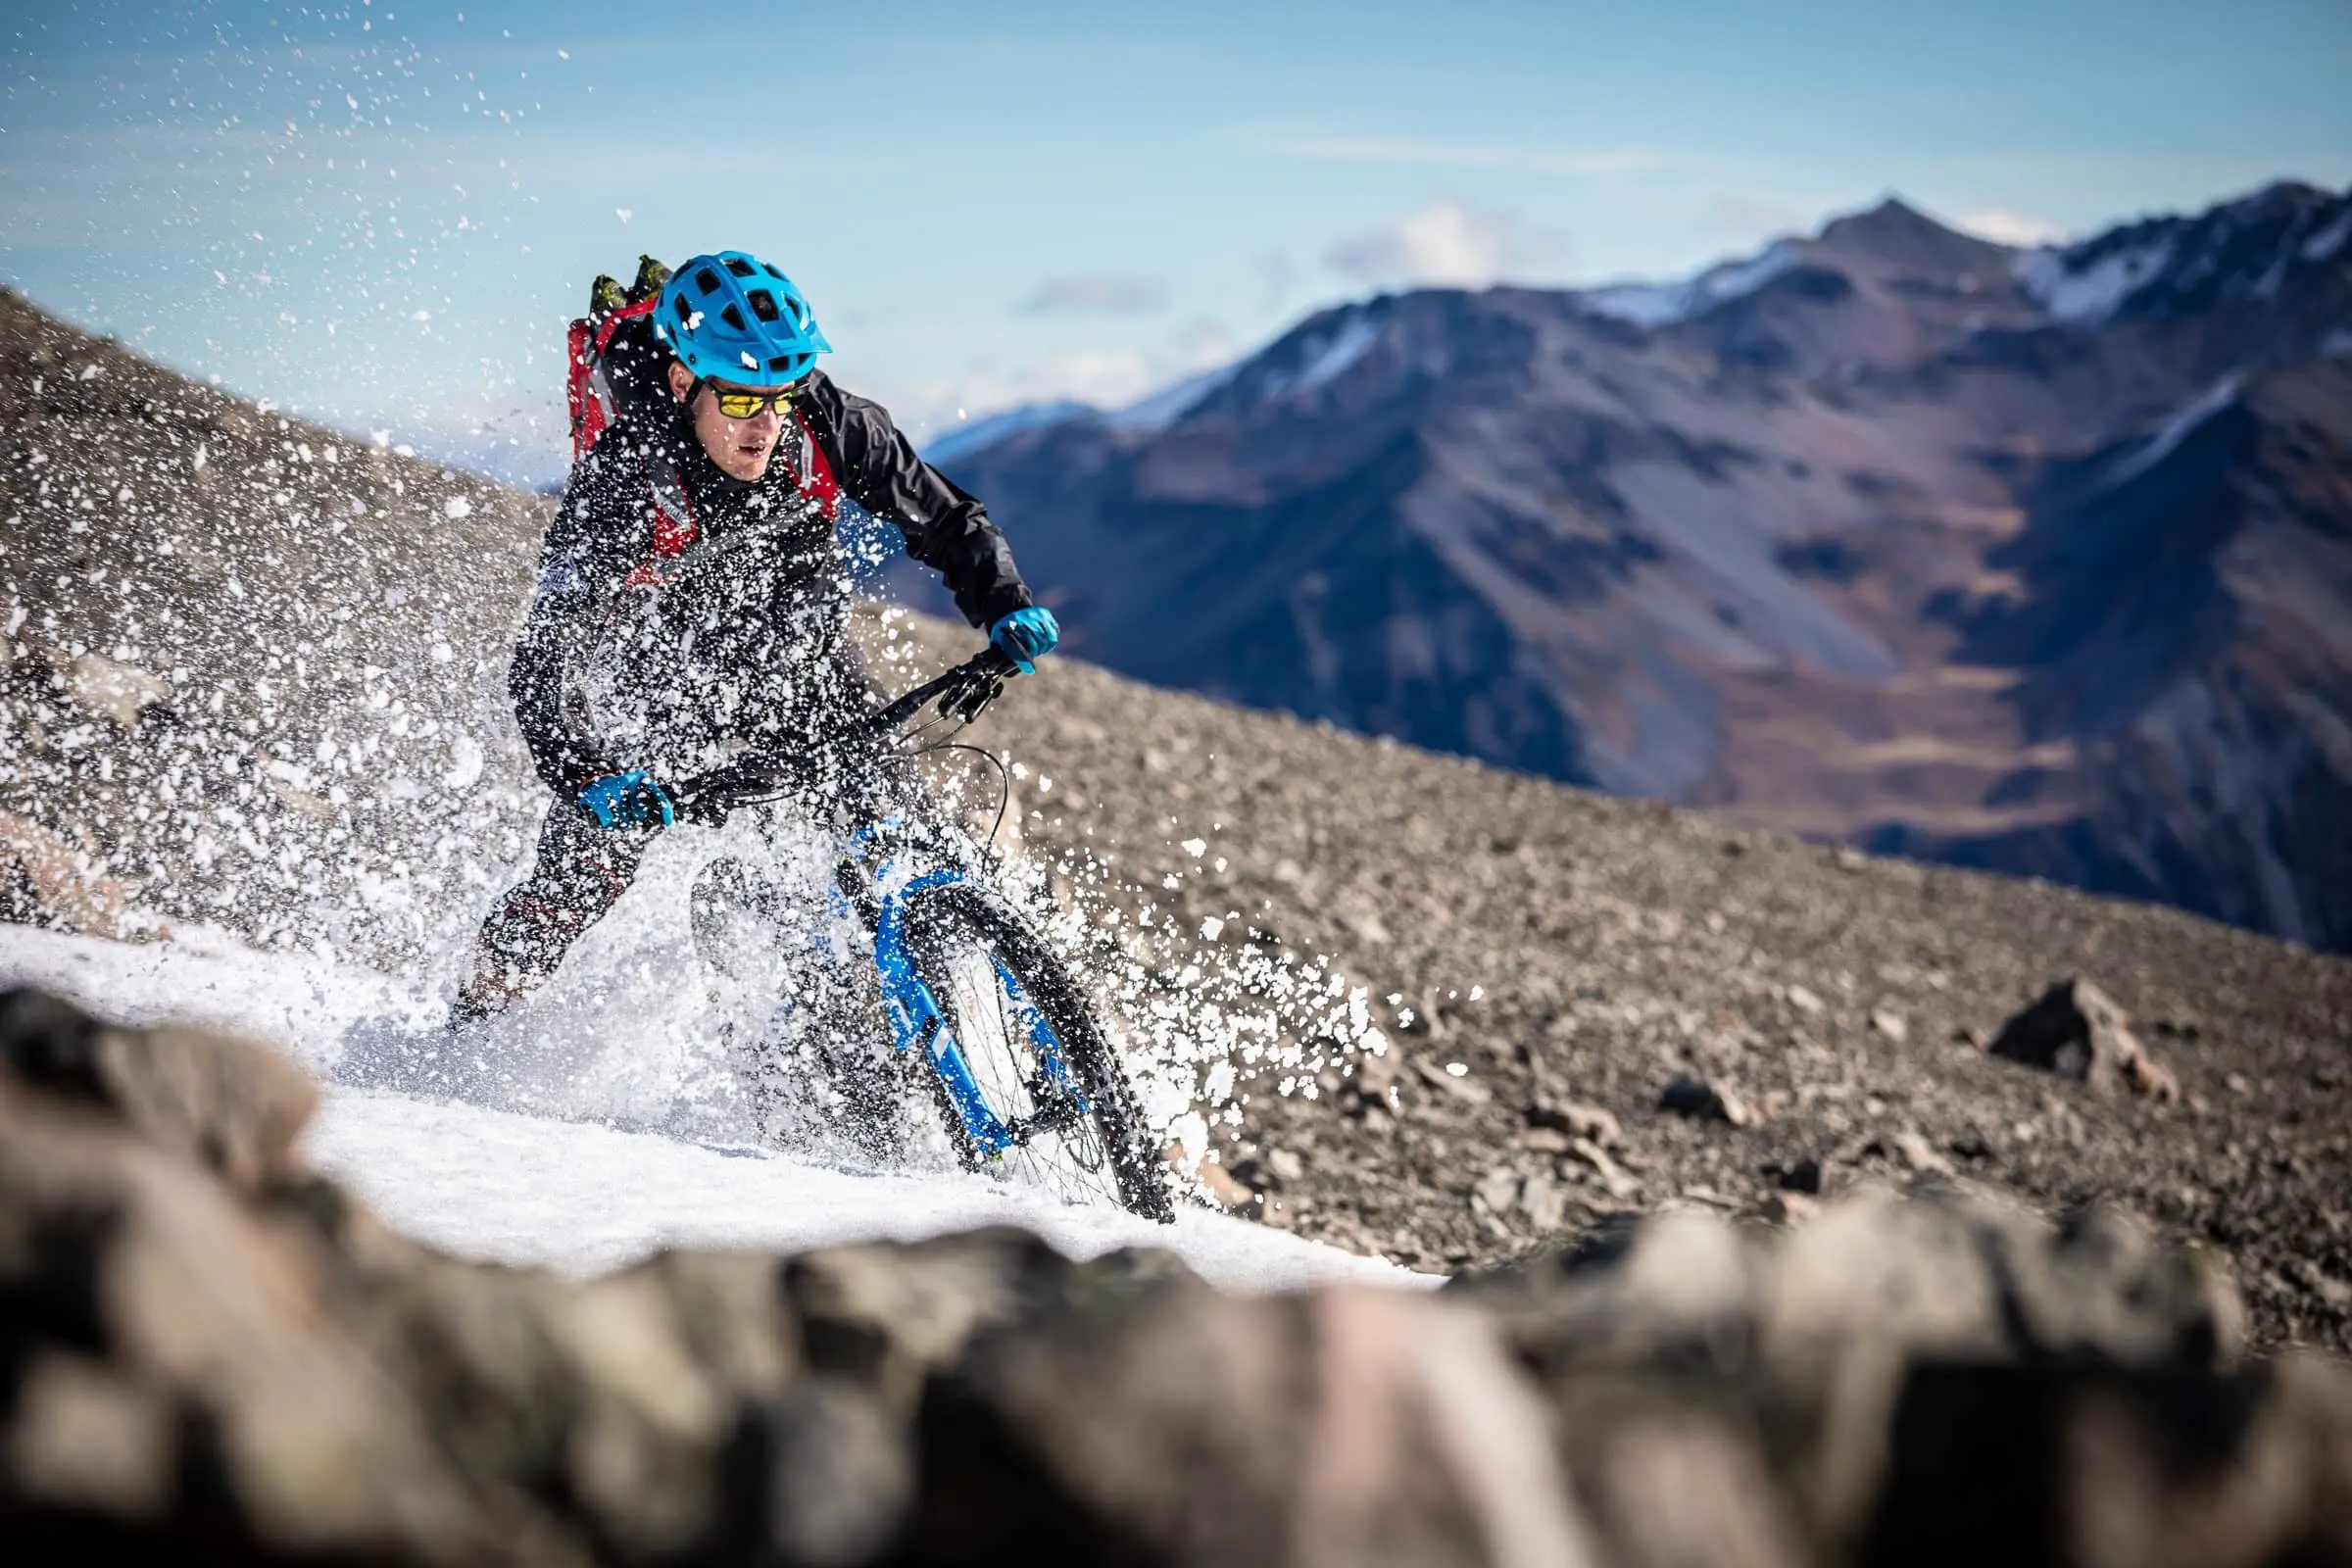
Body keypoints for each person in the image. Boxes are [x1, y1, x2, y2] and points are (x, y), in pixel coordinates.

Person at [451, 250, 1059, 1023]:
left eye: (778, 398)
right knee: (582, 870)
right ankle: (476, 1010)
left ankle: (961, 1033)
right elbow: (542, 661)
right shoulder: (622, 482)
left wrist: (1004, 601)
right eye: (740, 402)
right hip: (659, 687)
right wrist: (590, 775)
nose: (765, 426)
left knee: (904, 840)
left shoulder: (827, 421)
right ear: (683, 385)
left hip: (802, 660)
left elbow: (944, 519)